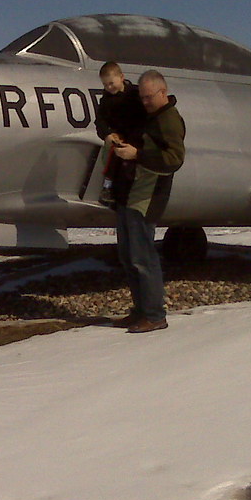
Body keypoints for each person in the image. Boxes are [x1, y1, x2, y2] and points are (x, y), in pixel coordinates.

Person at [111, 70, 186, 333]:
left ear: (163, 93)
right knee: (128, 255)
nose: (144, 102)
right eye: (141, 97)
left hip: (147, 197)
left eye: (148, 97)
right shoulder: (151, 116)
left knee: (143, 257)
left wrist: (137, 154)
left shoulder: (169, 120)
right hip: (130, 193)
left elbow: (174, 159)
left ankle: (155, 315)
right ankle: (141, 311)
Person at [94, 62, 146, 207]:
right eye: (105, 85)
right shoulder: (106, 100)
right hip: (119, 137)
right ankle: (108, 187)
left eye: (111, 83)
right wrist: (108, 134)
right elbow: (100, 120)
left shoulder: (135, 95)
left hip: (136, 136)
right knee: (113, 157)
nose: (109, 88)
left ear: (121, 77)